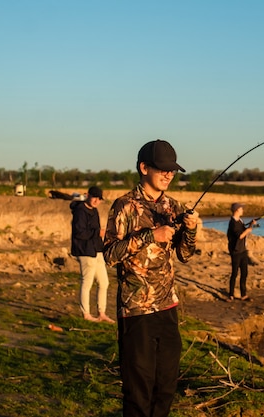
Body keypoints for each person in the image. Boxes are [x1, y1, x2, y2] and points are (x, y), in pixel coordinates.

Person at [103, 139, 199, 417]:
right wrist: (150, 236)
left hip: (168, 307)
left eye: (172, 170)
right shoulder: (124, 206)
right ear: (144, 168)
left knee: (166, 387)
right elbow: (110, 254)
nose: (169, 174)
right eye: (163, 169)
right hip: (136, 311)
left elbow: (184, 254)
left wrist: (190, 230)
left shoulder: (174, 206)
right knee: (138, 390)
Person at [70, 186, 114, 323]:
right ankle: (86, 314)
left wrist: (102, 241)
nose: (96, 201)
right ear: (87, 195)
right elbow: (80, 233)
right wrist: (98, 233)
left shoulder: (94, 211)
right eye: (94, 197)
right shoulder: (80, 211)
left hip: (96, 250)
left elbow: (95, 232)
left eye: (99, 198)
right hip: (84, 251)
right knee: (87, 282)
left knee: (104, 282)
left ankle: (102, 313)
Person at [226, 202, 256, 301]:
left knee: (244, 273)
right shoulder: (233, 223)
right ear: (237, 210)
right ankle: (231, 294)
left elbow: (243, 230)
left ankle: (243, 295)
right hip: (236, 251)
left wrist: (251, 224)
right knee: (234, 273)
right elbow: (240, 235)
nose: (242, 210)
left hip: (243, 250)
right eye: (241, 208)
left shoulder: (240, 221)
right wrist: (249, 229)